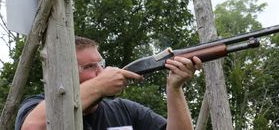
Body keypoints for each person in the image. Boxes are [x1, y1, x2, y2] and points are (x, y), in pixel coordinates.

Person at [15, 36, 202, 130]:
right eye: (89, 67)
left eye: (101, 64)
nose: (101, 72)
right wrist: (100, 85)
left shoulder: (125, 110)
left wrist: (175, 88)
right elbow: (32, 127)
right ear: (63, 74)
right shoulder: (35, 106)